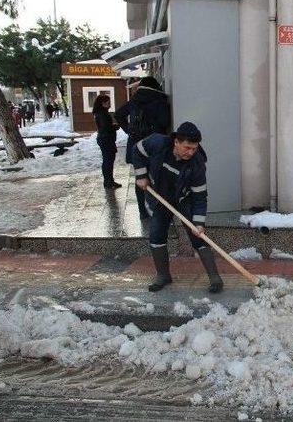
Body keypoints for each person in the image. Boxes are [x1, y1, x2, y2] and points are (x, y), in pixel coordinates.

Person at [133, 121, 224, 294]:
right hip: (159, 196)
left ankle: (215, 278)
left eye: (194, 148)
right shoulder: (157, 143)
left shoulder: (197, 165)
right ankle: (163, 275)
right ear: (176, 141)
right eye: (187, 147)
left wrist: (198, 223)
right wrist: (141, 175)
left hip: (184, 199)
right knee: (157, 234)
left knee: (198, 236)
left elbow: (200, 196)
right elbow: (136, 150)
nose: (191, 152)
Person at [115, 76, 171, 220]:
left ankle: (142, 212)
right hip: (154, 147)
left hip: (136, 147)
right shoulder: (160, 100)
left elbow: (118, 114)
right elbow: (165, 121)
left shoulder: (134, 100)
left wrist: (129, 130)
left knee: (141, 178)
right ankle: (157, 211)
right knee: (157, 179)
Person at [92, 94, 122, 189]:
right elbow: (106, 127)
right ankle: (109, 182)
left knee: (108, 160)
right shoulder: (102, 113)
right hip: (106, 139)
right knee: (108, 161)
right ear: (103, 103)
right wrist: (115, 126)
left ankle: (109, 181)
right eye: (108, 102)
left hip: (105, 139)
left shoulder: (101, 113)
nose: (110, 104)